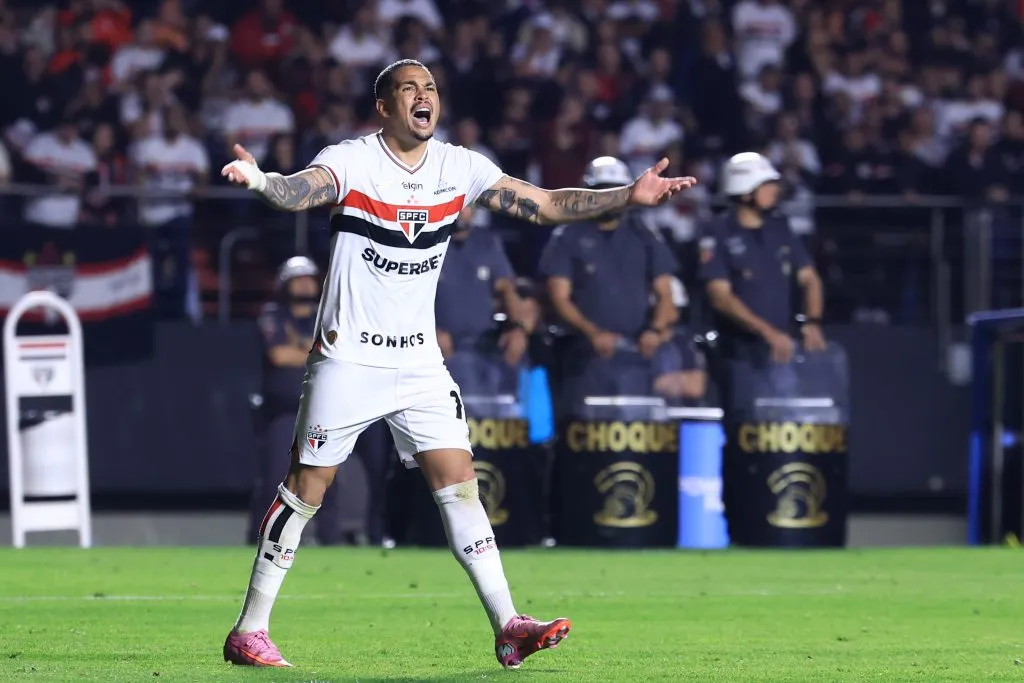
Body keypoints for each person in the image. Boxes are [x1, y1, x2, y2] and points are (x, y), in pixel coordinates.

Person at [218, 58, 696, 670]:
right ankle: (249, 629)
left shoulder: (459, 167)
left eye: (431, 89)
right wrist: (262, 182)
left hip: (419, 363)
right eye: (409, 89)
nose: (424, 97)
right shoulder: (352, 160)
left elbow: (545, 203)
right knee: (308, 488)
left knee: (459, 482)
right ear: (384, 107)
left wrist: (627, 197)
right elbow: (296, 190)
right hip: (349, 358)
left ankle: (508, 624)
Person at [697, 151, 825, 537]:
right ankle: (743, 522)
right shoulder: (718, 233)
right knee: (743, 437)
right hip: (740, 355)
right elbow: (720, 296)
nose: (774, 191)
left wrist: (812, 322)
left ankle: (782, 519)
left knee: (783, 432)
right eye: (767, 185)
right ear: (745, 190)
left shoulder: (781, 229)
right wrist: (768, 332)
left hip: (781, 354)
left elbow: (810, 279)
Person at [539, 156, 682, 414]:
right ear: (588, 192)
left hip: (638, 352)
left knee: (640, 429)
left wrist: (656, 330)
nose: (609, 197)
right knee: (584, 429)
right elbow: (558, 296)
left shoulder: (644, 234)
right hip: (585, 354)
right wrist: (592, 333)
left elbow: (665, 292)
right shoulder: (568, 235)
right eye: (602, 190)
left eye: (615, 190)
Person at [251, 257, 355, 545]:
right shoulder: (274, 314)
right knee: (274, 478)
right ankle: (261, 539)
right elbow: (279, 355)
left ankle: (330, 542)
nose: (306, 283)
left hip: (321, 413)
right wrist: (318, 351)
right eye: (298, 279)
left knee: (325, 479)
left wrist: (302, 347)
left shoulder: (327, 315)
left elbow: (341, 352)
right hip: (283, 412)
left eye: (309, 277)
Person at [435, 203, 530, 398]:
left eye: (466, 207)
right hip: (444, 347)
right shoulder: (427, 243)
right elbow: (407, 297)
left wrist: (518, 329)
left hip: (486, 344)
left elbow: (507, 289)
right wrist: (429, 334)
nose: (461, 213)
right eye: (454, 206)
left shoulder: (487, 242)